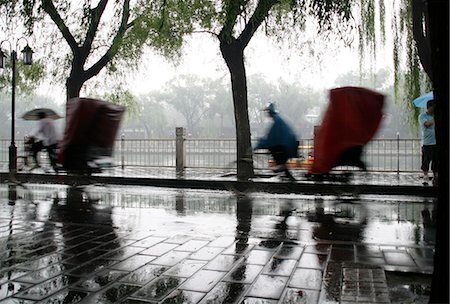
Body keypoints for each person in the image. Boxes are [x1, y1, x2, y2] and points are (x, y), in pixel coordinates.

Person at [254, 103, 298, 181]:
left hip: (284, 147)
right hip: (288, 145)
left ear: (270, 112)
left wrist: (258, 146)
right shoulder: (278, 119)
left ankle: (282, 172)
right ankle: (290, 180)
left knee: (279, 160)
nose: (267, 114)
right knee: (282, 165)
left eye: (267, 112)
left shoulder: (276, 122)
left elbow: (271, 138)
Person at [419, 99, 438, 185]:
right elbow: (426, 124)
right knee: (426, 161)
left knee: (436, 161)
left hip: (436, 143)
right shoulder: (422, 116)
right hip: (427, 143)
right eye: (433, 107)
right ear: (429, 107)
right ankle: (425, 176)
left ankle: (435, 176)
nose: (434, 108)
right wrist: (435, 118)